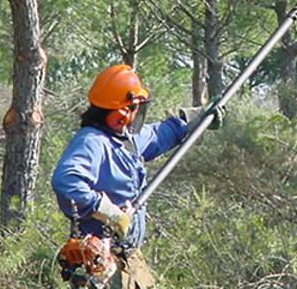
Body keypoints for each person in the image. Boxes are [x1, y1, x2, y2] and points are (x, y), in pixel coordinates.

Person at [52, 64, 222, 288]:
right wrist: (111, 213)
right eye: (133, 108)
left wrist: (195, 117)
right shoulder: (91, 141)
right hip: (100, 263)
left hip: (129, 257)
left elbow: (156, 136)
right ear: (119, 113)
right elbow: (65, 181)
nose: (136, 115)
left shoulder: (122, 139)